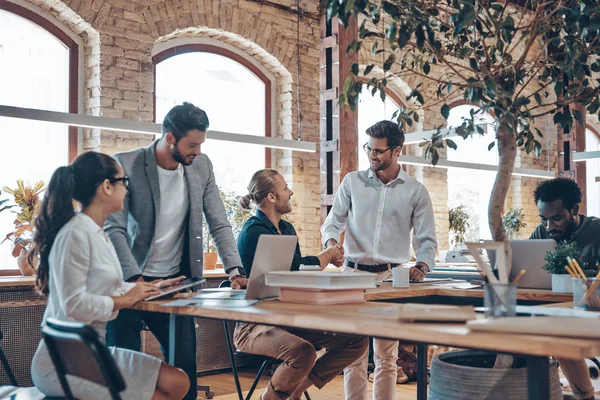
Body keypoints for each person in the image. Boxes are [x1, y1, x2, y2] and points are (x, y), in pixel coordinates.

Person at [104, 102, 246, 399]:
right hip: (128, 283)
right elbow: (113, 228)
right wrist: (134, 277)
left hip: (176, 282)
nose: (198, 151)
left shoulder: (201, 166)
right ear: (170, 138)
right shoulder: (126, 164)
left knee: (184, 367)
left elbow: (218, 221)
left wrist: (235, 270)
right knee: (123, 366)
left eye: (201, 143)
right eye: (192, 144)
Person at [29, 151, 189, 400]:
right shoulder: (75, 234)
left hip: (90, 353)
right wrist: (124, 301)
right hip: (63, 364)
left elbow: (104, 288)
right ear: (106, 187)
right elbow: (74, 304)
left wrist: (152, 287)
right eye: (124, 182)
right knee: (163, 394)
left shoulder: (96, 232)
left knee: (178, 381)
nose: (127, 189)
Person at [321, 120, 438, 400]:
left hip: (391, 278)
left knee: (387, 357)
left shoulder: (415, 191)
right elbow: (331, 223)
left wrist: (422, 266)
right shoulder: (352, 182)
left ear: (397, 150)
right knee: (354, 355)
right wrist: (331, 244)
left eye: (378, 151)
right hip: (353, 276)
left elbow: (426, 239)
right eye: (369, 149)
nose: (372, 156)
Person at [234, 169, 368, 400]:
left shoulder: (287, 229)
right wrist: (327, 255)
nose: (291, 192)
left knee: (357, 340)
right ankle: (272, 397)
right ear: (272, 197)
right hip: (254, 324)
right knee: (303, 352)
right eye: (285, 188)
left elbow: (296, 273)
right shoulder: (253, 231)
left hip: (287, 319)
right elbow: (294, 268)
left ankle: (294, 390)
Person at [530, 177, 597, 400]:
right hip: (560, 316)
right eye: (544, 219)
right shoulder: (540, 235)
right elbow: (525, 271)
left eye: (557, 218)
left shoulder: (597, 232)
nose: (549, 227)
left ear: (575, 209)